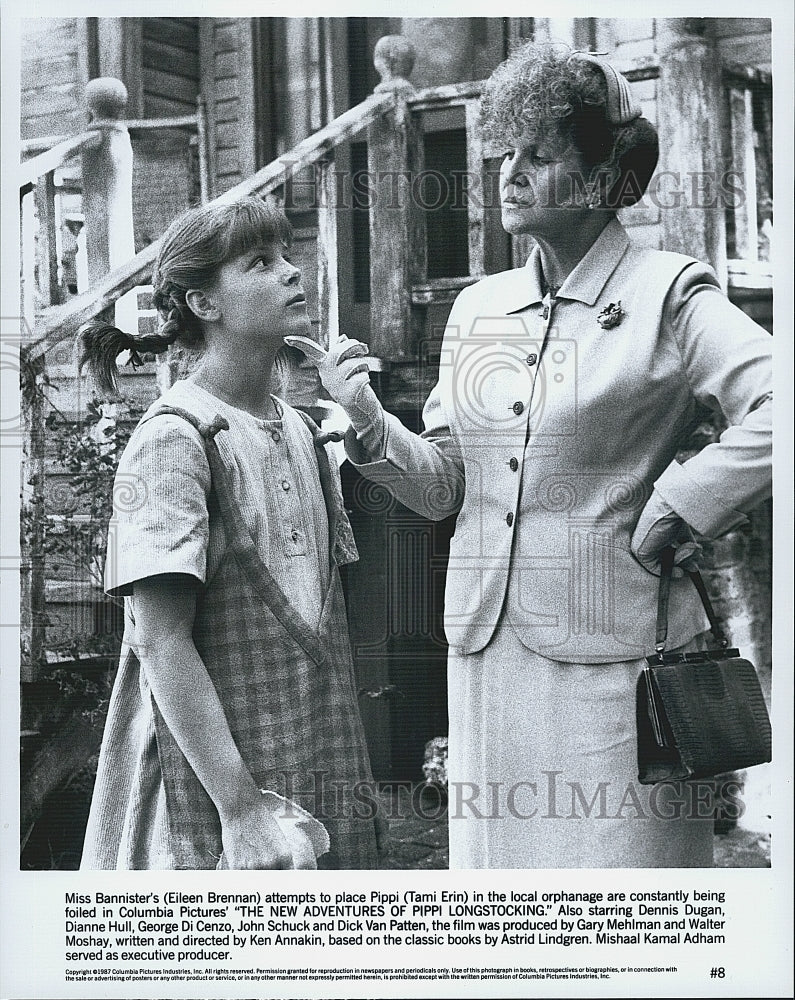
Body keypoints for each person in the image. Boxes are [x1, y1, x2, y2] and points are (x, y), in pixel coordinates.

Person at [293, 43, 772, 868]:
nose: (507, 173)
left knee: (623, 895)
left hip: (621, 661)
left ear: (599, 176)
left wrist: (682, 501)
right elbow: (446, 487)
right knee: (507, 898)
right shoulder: (480, 306)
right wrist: (367, 418)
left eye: (538, 156)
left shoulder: (668, 290)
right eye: (505, 153)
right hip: (488, 656)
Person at [79, 197, 383, 870]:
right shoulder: (176, 438)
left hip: (312, 753)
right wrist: (242, 811)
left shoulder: (304, 430)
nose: (291, 273)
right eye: (260, 263)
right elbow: (158, 640)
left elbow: (312, 626)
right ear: (204, 304)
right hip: (215, 793)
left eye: (286, 255)